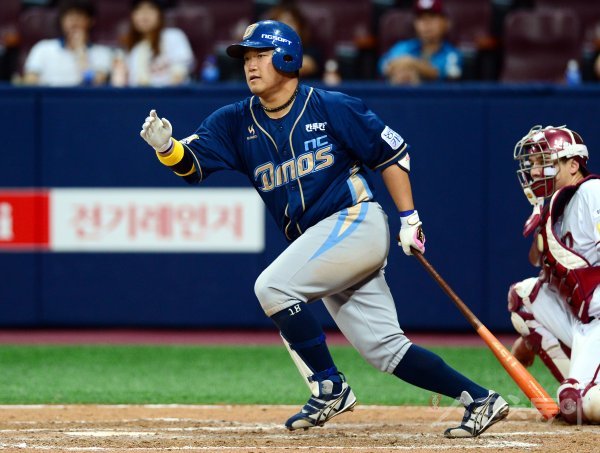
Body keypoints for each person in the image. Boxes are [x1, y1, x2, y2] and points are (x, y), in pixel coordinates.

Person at [139, 20, 508, 437]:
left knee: (273, 288)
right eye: (246, 58)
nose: (250, 65)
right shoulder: (234, 121)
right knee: (385, 350)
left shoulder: (330, 106)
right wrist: (166, 147)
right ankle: (481, 399)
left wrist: (410, 218)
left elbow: (391, 154)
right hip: (322, 243)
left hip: (355, 223)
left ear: (287, 58)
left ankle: (329, 386)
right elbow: (192, 167)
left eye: (260, 55)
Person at [508, 125, 600, 424]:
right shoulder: (557, 206)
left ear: (573, 165)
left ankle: (585, 389)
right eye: (533, 163)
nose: (535, 171)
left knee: (579, 406)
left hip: (598, 316)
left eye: (544, 162)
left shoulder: (592, 192)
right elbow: (553, 276)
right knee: (524, 297)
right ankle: (581, 384)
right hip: (584, 319)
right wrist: (529, 341)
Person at [23, 0, 113, 86]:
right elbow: (30, 82)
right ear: (61, 20)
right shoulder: (43, 48)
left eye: (79, 16)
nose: (74, 22)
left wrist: (80, 51)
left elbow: (94, 84)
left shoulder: (102, 53)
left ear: (90, 21)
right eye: (69, 16)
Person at [378, 0, 462, 85]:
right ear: (414, 24)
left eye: (432, 17)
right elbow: (384, 66)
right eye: (421, 18)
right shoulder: (403, 46)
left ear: (446, 23)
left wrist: (412, 64)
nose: (426, 23)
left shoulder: (451, 54)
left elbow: (442, 74)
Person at [114, 0, 194, 87]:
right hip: (139, 95)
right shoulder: (132, 47)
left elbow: (180, 71)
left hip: (169, 94)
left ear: (160, 14)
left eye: (150, 9)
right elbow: (123, 83)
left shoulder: (172, 36)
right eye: (139, 10)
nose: (144, 16)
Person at [264, 1, 324, 80]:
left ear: (299, 26)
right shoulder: (263, 49)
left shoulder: (311, 50)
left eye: (289, 21)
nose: (284, 27)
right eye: (279, 22)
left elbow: (303, 65)